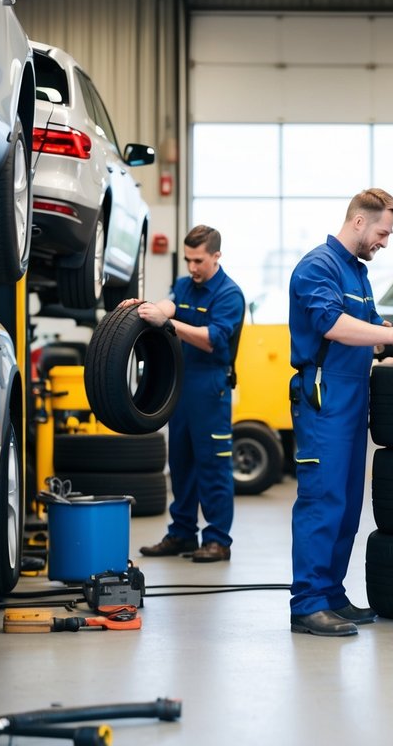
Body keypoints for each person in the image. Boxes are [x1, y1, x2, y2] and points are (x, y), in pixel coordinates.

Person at [287, 188, 393, 637]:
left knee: (348, 503)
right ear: (358, 223)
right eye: (383, 232)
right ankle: (307, 603)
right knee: (321, 499)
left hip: (353, 397)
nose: (385, 242)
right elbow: (331, 324)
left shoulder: (358, 274)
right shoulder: (318, 267)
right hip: (324, 395)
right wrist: (392, 338)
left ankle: (330, 594)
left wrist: (392, 339)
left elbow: (365, 333)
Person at [134, 225, 245, 563]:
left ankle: (217, 540)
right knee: (180, 462)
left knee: (212, 466)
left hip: (211, 387)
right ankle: (182, 533)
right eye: (188, 260)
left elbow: (212, 339)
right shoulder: (185, 285)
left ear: (216, 256)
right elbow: (168, 304)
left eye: (198, 260)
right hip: (182, 386)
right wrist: (145, 308)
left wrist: (167, 323)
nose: (193, 267)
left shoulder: (229, 294)